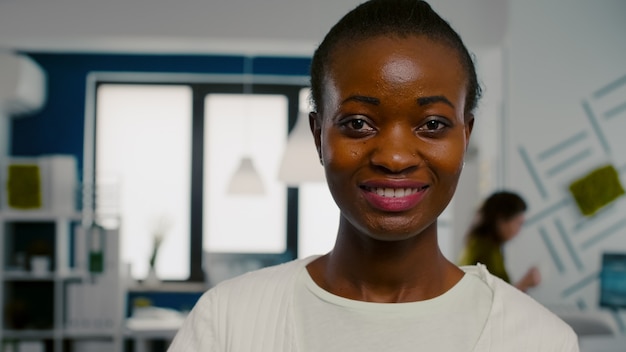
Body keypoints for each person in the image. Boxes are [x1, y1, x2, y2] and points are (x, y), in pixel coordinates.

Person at [168, 0, 578, 350]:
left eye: (432, 124)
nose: (395, 158)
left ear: (466, 135)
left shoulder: (540, 340)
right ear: (318, 136)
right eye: (359, 123)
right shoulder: (227, 323)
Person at [457, 191, 542, 292]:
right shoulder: (485, 249)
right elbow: (495, 299)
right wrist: (524, 283)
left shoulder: (483, 244)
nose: (519, 230)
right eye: (518, 223)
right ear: (501, 220)